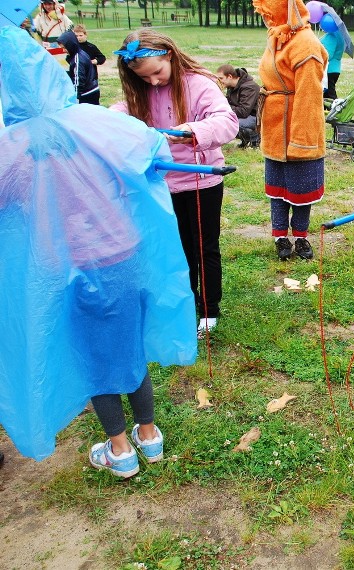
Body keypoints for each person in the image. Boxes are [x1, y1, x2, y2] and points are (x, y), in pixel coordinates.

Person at [0, 25, 196, 467]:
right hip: (123, 255)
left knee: (92, 356)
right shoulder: (99, 123)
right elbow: (146, 145)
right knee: (128, 345)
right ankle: (150, 436)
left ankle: (120, 450)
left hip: (70, 268)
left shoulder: (9, 151)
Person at [111, 30, 238, 337]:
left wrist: (193, 129)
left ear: (169, 54)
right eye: (145, 78)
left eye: (157, 73)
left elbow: (227, 121)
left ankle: (209, 310)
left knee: (204, 246)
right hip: (163, 183)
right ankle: (184, 301)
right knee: (178, 249)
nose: (153, 82)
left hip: (202, 181)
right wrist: (113, 120)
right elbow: (120, 113)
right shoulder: (141, 92)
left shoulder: (199, 84)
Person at [255, 0, 328, 262]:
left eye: (268, 11)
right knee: (277, 190)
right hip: (276, 127)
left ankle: (300, 237)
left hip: (299, 128)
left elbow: (309, 97)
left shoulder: (305, 43)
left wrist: (302, 142)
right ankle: (280, 237)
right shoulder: (279, 35)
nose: (265, 16)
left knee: (300, 191)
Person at [215, 64, 261, 149]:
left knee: (229, 123)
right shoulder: (231, 87)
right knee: (220, 121)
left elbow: (243, 111)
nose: (218, 81)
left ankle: (255, 138)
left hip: (256, 118)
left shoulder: (249, 87)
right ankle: (246, 140)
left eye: (221, 78)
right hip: (246, 116)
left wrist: (223, 107)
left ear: (229, 76)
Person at [57, 30, 100, 105]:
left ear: (70, 45)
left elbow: (78, 80)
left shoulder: (78, 59)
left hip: (87, 94)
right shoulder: (80, 53)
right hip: (93, 89)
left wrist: (75, 98)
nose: (63, 50)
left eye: (64, 48)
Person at [320, 29, 344, 100]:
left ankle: (337, 109)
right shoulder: (339, 34)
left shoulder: (331, 36)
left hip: (329, 70)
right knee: (326, 94)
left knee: (331, 94)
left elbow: (328, 55)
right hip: (335, 68)